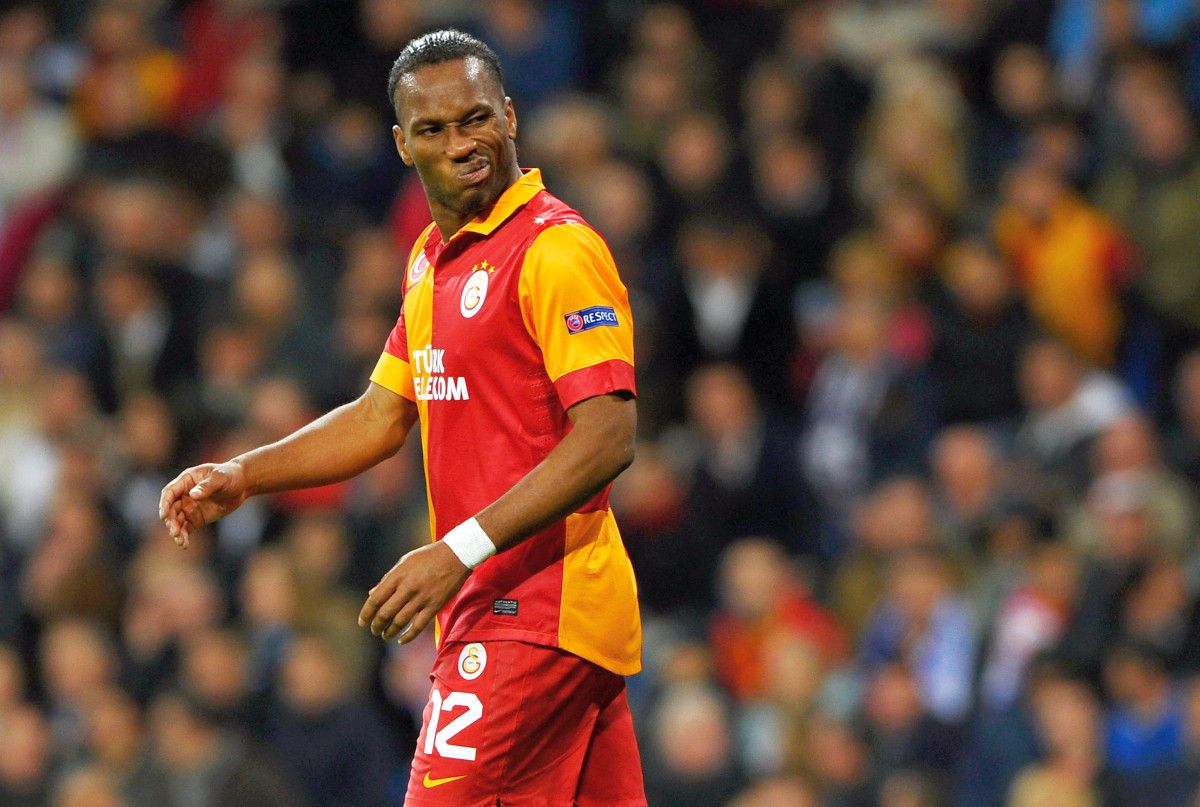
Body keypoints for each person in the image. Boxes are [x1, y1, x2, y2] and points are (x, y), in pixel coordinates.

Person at [158, 29, 646, 806]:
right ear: (401, 143)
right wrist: (246, 474)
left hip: (532, 611)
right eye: (434, 128)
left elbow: (608, 435)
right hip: (524, 615)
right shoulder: (430, 260)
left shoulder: (555, 251)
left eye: (475, 118)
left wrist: (458, 549)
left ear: (510, 116)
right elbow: (381, 414)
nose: (461, 143)